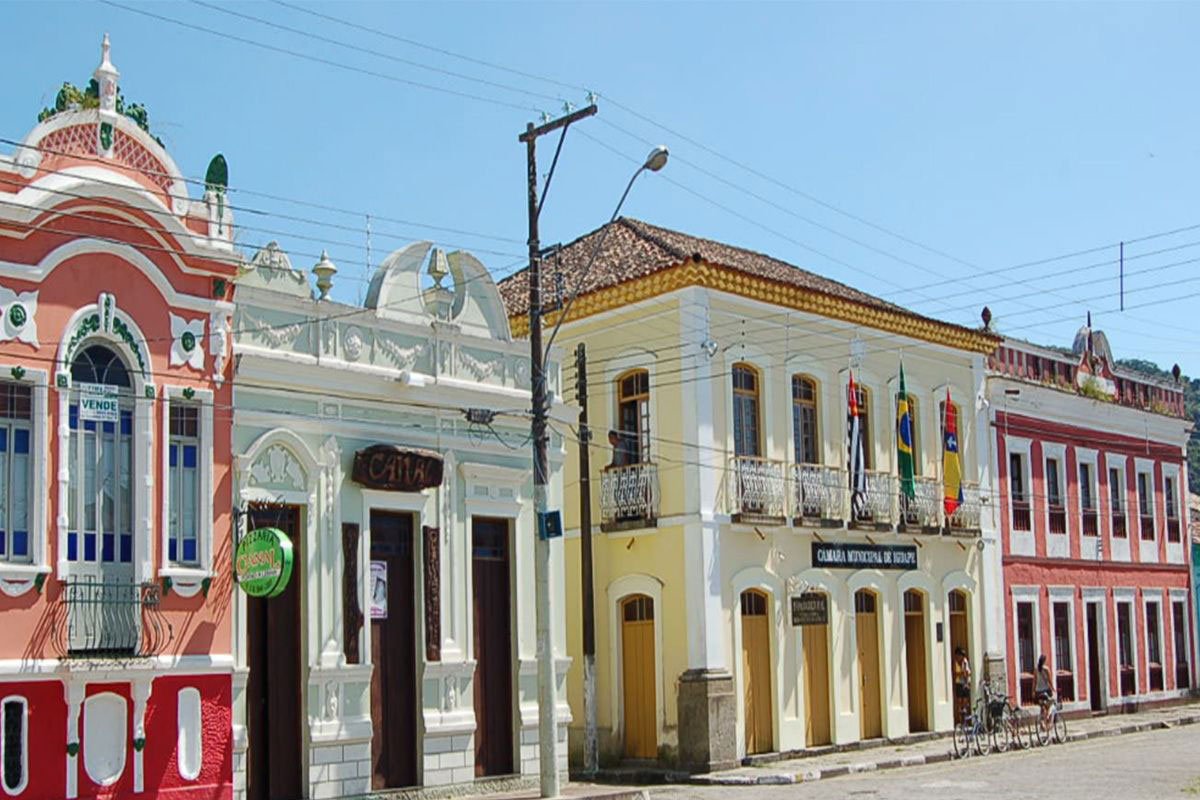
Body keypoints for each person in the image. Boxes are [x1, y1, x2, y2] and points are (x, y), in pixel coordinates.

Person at [953, 646, 972, 722]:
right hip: (959, 684)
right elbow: (955, 673)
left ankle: (965, 718)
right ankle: (960, 719)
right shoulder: (955, 663)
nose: (960, 657)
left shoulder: (965, 661)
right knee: (959, 702)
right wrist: (962, 673)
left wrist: (964, 673)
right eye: (959, 655)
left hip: (965, 683)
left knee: (965, 701)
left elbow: (968, 672)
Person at [1035, 654, 1055, 721]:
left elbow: (1034, 681)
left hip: (1038, 691)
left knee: (1042, 706)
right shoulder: (1046, 669)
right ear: (1044, 661)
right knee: (1051, 702)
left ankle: (1042, 724)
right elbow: (1049, 681)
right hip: (1046, 690)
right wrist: (1053, 689)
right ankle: (1048, 716)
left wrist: (1033, 691)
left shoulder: (1036, 669)